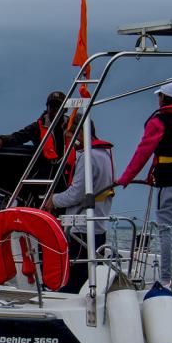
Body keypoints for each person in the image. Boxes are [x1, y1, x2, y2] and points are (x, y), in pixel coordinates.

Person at [115, 79, 172, 283]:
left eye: (160, 95)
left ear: (165, 97)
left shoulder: (158, 121)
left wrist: (126, 178)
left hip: (169, 181)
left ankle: (166, 280)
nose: (158, 99)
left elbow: (143, 152)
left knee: (166, 231)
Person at [44, 120, 115, 293]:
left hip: (81, 228)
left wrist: (53, 200)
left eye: (70, 137)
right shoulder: (105, 154)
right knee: (91, 275)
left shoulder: (86, 157)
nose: (70, 142)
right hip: (99, 225)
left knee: (74, 281)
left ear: (81, 134)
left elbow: (76, 193)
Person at [0, 90, 73, 204]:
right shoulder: (37, 127)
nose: (55, 110)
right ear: (47, 108)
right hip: (43, 178)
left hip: (66, 178)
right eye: (52, 106)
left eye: (59, 107)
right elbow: (18, 137)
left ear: (65, 109)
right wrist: (1, 139)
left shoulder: (73, 126)